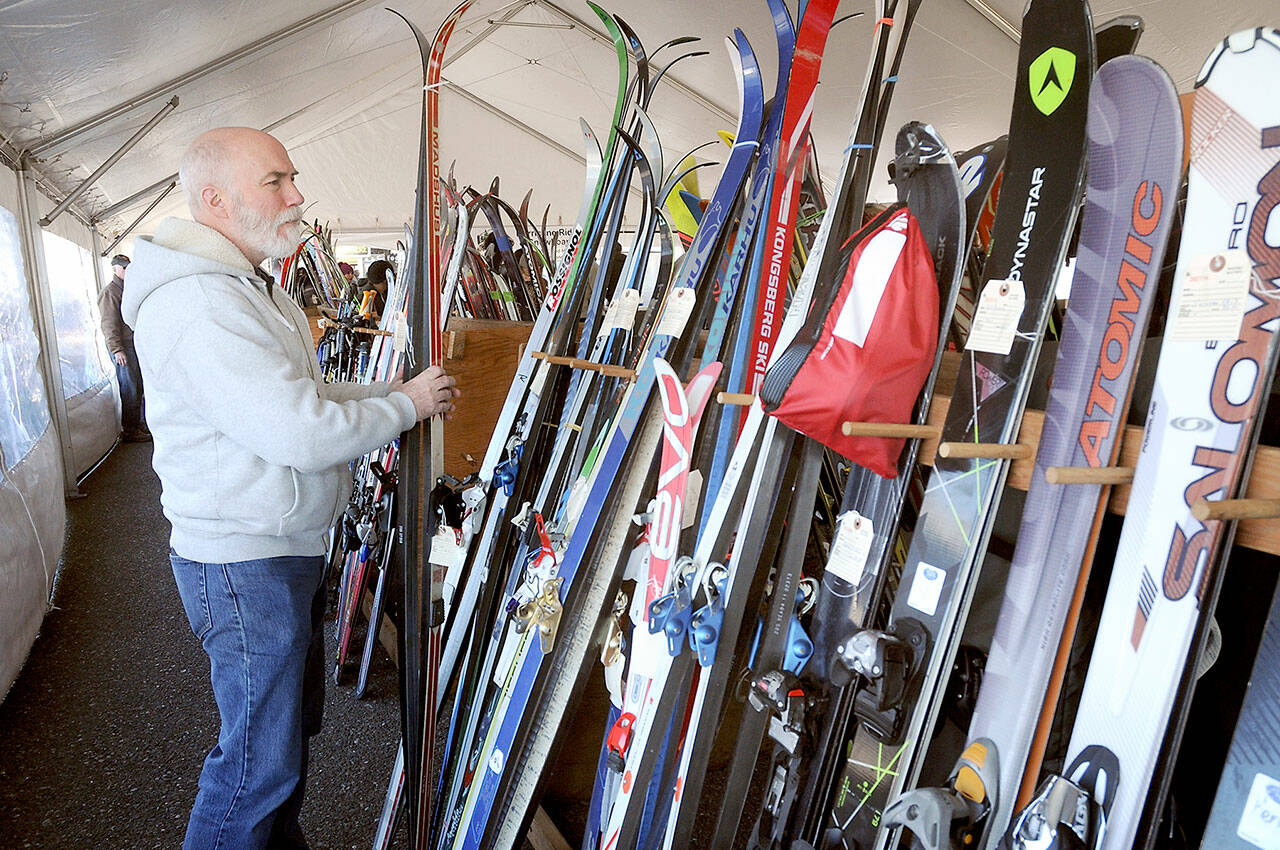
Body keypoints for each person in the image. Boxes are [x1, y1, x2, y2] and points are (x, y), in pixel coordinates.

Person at [121, 126, 459, 850]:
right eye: (275, 181)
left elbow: (299, 393)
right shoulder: (202, 305)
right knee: (254, 766)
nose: (297, 194)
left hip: (274, 550)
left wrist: (385, 389)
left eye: (292, 177)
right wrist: (406, 408)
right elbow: (298, 432)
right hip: (246, 563)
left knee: (280, 750)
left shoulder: (244, 286)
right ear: (214, 199)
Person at [98, 254, 150, 441]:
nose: (127, 270)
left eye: (128, 267)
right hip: (124, 348)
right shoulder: (110, 292)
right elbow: (109, 324)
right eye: (124, 268)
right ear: (115, 269)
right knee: (130, 388)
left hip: (134, 345)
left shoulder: (127, 290)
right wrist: (116, 349)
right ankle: (129, 430)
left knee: (140, 386)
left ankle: (139, 424)